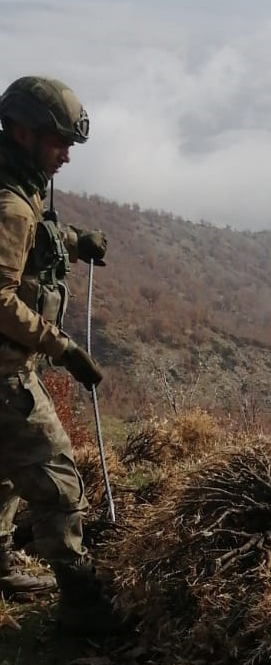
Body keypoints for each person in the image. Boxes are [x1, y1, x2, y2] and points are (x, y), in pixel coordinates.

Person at [0, 75, 118, 634]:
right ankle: (82, 605)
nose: (66, 155)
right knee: (58, 481)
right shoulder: (10, 202)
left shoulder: (19, 185)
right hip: (5, 375)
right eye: (57, 143)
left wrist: (74, 240)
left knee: (3, 472)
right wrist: (64, 347)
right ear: (22, 133)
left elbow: (33, 237)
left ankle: (1, 565)